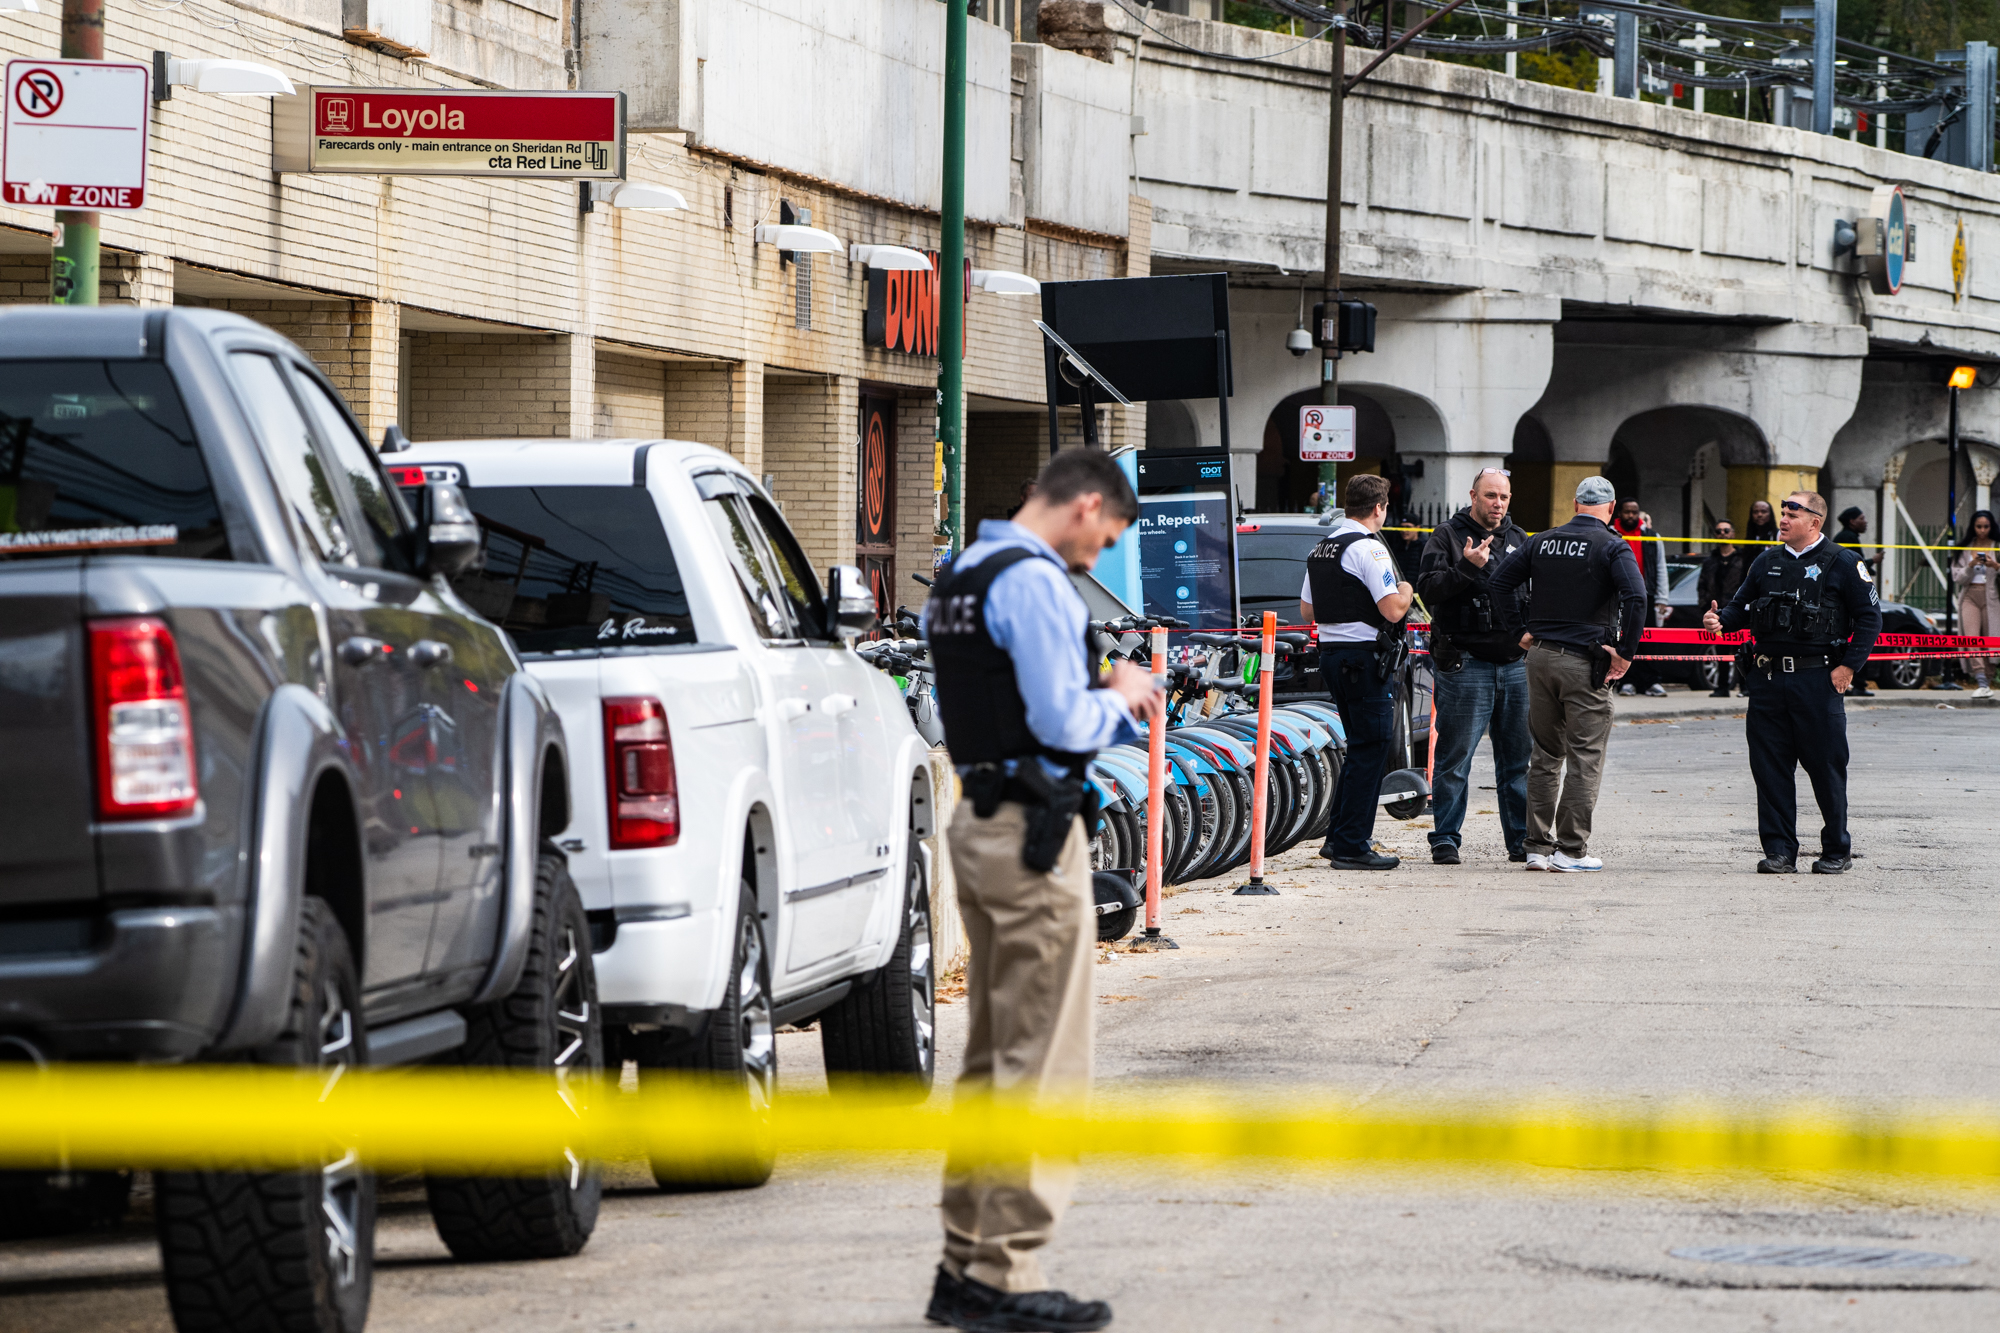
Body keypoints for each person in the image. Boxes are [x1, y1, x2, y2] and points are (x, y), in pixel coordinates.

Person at [921, 448, 1162, 1333]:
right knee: (1042, 1059)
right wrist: (1120, 691)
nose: (1097, 556)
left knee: (993, 1055)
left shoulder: (962, 571)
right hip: (1031, 832)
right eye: (1104, 536)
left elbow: (991, 700)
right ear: (1085, 503)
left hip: (982, 825)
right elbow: (1062, 719)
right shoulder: (1034, 580)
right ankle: (1004, 1272)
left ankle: (964, 1262)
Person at [1703, 490, 1882, 875]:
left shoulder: (1843, 562)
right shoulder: (1766, 561)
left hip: (1817, 680)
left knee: (1826, 768)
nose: (1782, 519)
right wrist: (1720, 621)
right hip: (1767, 680)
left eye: (1791, 514)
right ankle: (1780, 852)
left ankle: (1836, 850)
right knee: (1769, 769)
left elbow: (1870, 618)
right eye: (1782, 513)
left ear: (1814, 522)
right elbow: (1739, 607)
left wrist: (1849, 667)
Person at [1487, 476, 1646, 872]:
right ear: (1610, 509)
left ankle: (1537, 849)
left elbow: (1498, 582)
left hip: (1539, 658)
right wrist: (1624, 654)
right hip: (1583, 662)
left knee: (1544, 756)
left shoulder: (1541, 540)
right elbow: (1637, 597)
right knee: (1584, 757)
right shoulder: (1612, 544)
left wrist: (1518, 630)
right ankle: (1571, 850)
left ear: (1575, 503)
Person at [1416, 467, 1532, 866]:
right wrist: (1466, 567)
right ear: (1473, 496)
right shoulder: (1447, 536)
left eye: (1504, 497)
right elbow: (1428, 589)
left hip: (1515, 665)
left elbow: (1535, 595)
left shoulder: (1519, 539)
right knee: (1455, 758)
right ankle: (1445, 838)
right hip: (1465, 663)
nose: (1497, 504)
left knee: (1517, 761)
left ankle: (1521, 840)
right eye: (1490, 496)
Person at [1300, 473, 1415, 871]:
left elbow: (1308, 612)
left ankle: (1338, 838)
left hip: (1332, 655)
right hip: (1364, 660)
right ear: (1379, 508)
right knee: (1372, 749)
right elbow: (1393, 609)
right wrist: (1407, 590)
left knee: (1358, 748)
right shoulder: (1369, 549)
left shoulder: (1322, 548)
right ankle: (1352, 845)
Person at [1612, 498, 1671, 697]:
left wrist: (1662, 597)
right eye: (1627, 512)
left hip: (1646, 596)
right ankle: (1626, 681)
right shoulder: (1611, 534)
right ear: (1620, 513)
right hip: (1618, 598)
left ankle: (1652, 681)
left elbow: (1660, 567)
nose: (1631, 516)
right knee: (1623, 640)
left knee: (1650, 640)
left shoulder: (1652, 537)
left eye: (1634, 512)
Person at [1697, 520, 1752, 698]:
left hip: (1738, 611)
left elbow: (1748, 585)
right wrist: (1705, 605)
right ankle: (1722, 687)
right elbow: (1702, 584)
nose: (1722, 534)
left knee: (1742, 649)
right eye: (1718, 531)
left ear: (1733, 533)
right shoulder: (1710, 560)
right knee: (1720, 650)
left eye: (1726, 530)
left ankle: (1744, 686)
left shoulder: (1742, 559)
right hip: (1717, 610)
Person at [1953, 510, 2000, 699]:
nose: (1982, 530)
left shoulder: (1996, 546)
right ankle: (1980, 680)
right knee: (1971, 639)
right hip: (1970, 595)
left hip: (1993, 597)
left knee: (1991, 638)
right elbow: (1958, 577)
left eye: (1986, 526)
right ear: (1973, 527)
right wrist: (1971, 565)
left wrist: (1995, 566)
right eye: (1978, 526)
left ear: (1991, 527)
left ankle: (1987, 681)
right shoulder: (1965, 548)